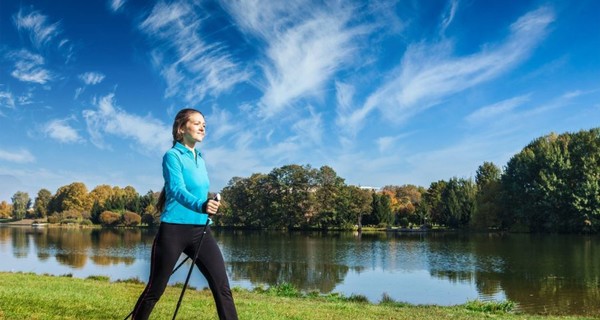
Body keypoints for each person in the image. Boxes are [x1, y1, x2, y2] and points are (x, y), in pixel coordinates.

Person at [131, 108, 238, 320]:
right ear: (181, 128)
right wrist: (201, 204)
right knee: (155, 289)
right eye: (197, 123)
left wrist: (210, 203)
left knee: (222, 287)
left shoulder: (200, 157)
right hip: (173, 231)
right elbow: (177, 190)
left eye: (204, 125)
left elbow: (199, 191)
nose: (202, 128)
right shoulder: (172, 156)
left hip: (201, 231)